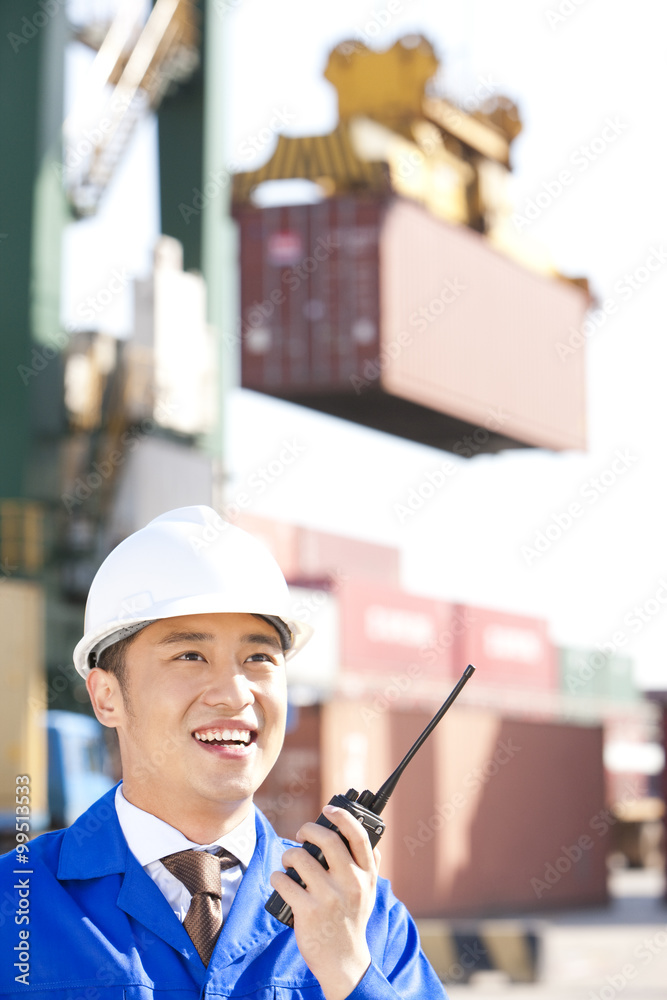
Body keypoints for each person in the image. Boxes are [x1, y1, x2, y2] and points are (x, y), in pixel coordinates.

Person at [0, 506, 447, 999]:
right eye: (190, 656)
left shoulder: (369, 919)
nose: (235, 695)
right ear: (107, 696)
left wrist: (350, 973)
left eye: (258, 658)